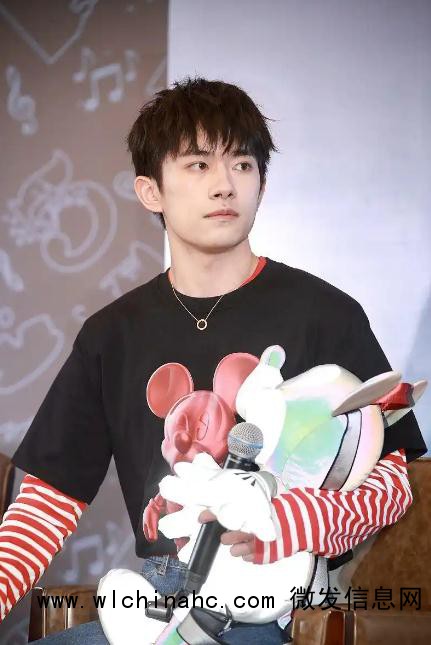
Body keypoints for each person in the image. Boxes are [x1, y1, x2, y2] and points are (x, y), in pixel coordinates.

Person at [0, 77, 427, 644]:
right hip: (159, 603)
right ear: (151, 191)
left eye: (242, 165)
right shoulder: (112, 334)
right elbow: (47, 502)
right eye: (198, 165)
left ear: (261, 185)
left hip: (284, 609)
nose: (225, 184)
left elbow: (395, 479)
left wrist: (295, 522)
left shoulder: (326, 313)